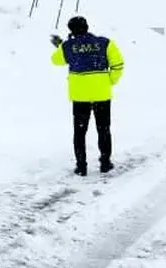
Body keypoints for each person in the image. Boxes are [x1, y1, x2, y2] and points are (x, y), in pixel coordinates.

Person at [50, 16, 125, 176]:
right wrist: (110, 81)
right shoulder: (105, 43)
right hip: (101, 94)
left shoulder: (69, 46)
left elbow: (56, 60)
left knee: (79, 132)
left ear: (71, 30)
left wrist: (61, 45)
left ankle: (81, 166)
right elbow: (118, 64)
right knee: (103, 129)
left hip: (80, 96)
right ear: (87, 27)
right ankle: (105, 163)